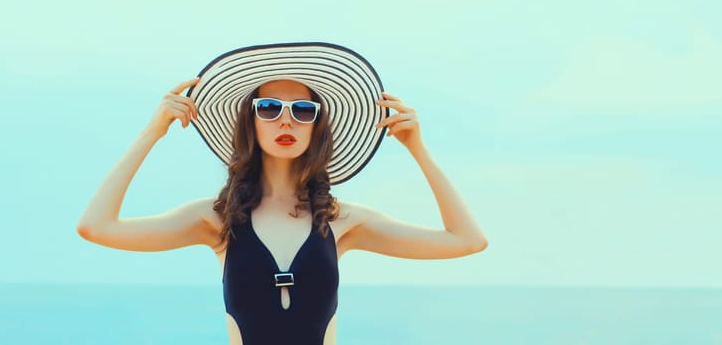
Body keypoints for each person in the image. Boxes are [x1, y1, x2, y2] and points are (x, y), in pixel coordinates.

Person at [76, 42, 488, 345]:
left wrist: (418, 149)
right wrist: (152, 131)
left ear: (315, 127)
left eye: (303, 111)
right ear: (251, 122)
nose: (285, 120)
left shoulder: (343, 221)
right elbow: (96, 226)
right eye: (269, 108)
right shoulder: (217, 220)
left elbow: (467, 240)